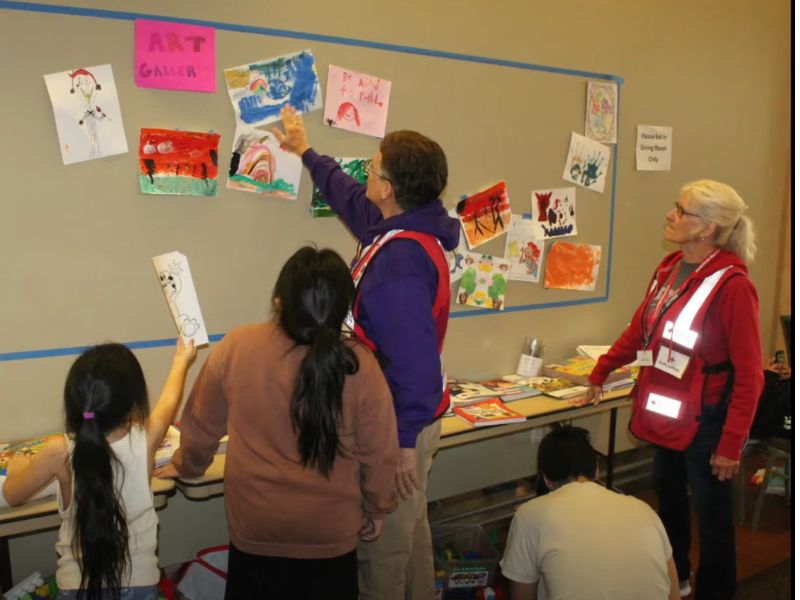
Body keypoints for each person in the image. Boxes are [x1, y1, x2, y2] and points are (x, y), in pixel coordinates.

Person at [272, 105, 461, 600]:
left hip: (400, 425)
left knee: (383, 557)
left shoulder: (399, 263)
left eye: (373, 169)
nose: (366, 177)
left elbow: (416, 370)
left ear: (390, 188)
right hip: (411, 421)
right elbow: (351, 199)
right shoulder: (405, 228)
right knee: (411, 537)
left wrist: (400, 445)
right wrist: (306, 151)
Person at [158, 247, 399, 600]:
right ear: (344, 309)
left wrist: (187, 466)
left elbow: (200, 427)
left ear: (278, 302)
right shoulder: (360, 365)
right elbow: (380, 452)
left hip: (256, 530)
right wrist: (379, 508)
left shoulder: (237, 346)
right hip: (330, 535)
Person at [575, 180, 763, 599]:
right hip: (668, 413)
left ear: (708, 228)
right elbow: (639, 330)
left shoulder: (733, 286)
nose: (670, 215)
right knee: (670, 503)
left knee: (712, 519)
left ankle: (715, 592)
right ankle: (675, 578)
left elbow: (751, 375)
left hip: (709, 422)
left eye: (682, 210)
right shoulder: (669, 267)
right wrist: (600, 372)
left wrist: (731, 446)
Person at [3, 340, 197, 600]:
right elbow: (169, 400)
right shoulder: (145, 439)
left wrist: (18, 467)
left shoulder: (57, 450)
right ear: (133, 402)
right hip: (140, 585)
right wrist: (181, 360)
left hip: (77, 588)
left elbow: (13, 495)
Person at [500, 425, 680, 600]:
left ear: (546, 479)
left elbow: (522, 595)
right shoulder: (643, 509)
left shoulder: (530, 515)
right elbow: (674, 593)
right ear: (596, 469)